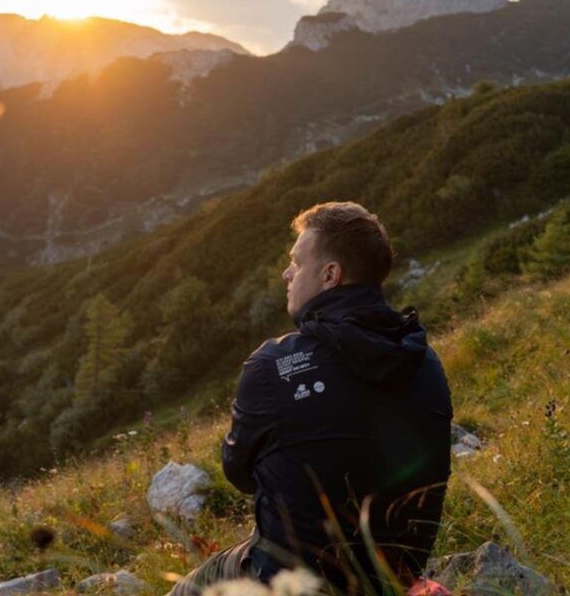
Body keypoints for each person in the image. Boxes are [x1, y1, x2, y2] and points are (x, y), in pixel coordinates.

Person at [167, 202, 453, 595]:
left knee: (188, 587)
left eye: (297, 263)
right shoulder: (425, 361)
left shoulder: (271, 365)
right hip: (391, 583)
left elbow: (239, 474)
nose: (287, 273)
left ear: (330, 275)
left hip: (289, 586)